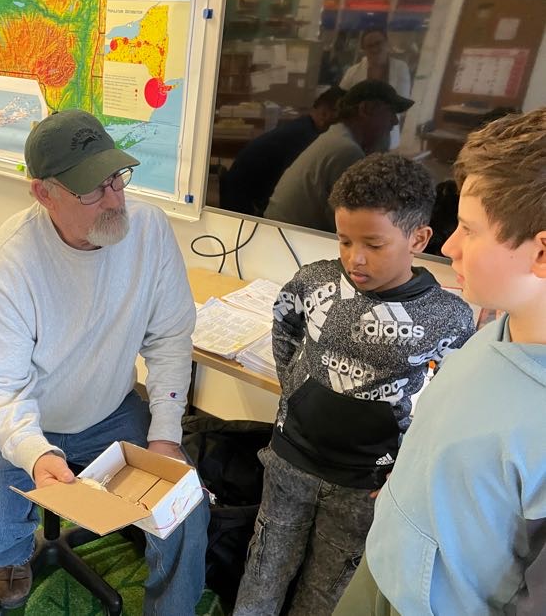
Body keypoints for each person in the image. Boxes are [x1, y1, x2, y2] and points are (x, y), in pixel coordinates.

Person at [0, 109, 210, 613]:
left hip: (109, 409)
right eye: (91, 189)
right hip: (23, 410)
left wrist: (166, 435)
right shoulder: (12, 262)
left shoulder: (148, 230)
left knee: (186, 508)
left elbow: (171, 336)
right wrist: (37, 455)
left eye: (115, 178)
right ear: (44, 194)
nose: (114, 199)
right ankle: (13, 552)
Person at [234, 153, 476, 616]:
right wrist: (296, 390)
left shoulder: (448, 317)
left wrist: (406, 464)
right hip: (290, 461)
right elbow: (285, 327)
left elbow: (448, 400)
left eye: (373, 244)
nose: (354, 258)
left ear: (418, 239)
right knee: (265, 567)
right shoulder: (314, 281)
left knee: (329, 588)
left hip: (365, 483)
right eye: (344, 240)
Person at [335, 109, 546, 615]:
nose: (448, 245)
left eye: (470, 231)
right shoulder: (496, 329)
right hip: (383, 567)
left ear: (541, 255)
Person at [264, 80, 413, 232]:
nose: (395, 121)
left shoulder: (337, 136)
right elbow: (347, 227)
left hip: (284, 235)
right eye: (391, 112)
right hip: (291, 241)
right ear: (366, 109)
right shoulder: (346, 150)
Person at [220, 86, 345, 216]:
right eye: (341, 119)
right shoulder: (305, 138)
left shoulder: (303, 126)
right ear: (325, 113)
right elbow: (294, 187)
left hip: (245, 192)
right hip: (243, 202)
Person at [340, 28, 411, 150]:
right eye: (369, 46)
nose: (374, 49)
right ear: (364, 50)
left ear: (387, 43)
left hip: (386, 131)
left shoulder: (400, 68)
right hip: (357, 133)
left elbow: (401, 103)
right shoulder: (353, 71)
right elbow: (340, 99)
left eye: (378, 43)